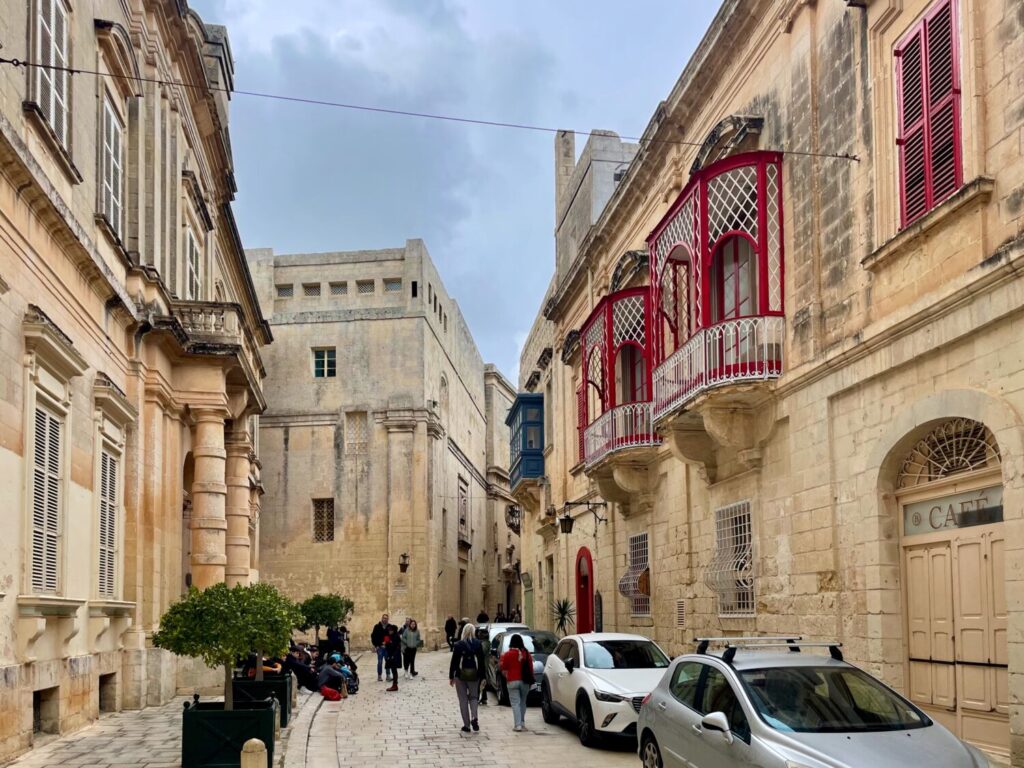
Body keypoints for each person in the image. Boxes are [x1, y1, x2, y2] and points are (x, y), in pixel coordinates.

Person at [449, 623, 485, 733]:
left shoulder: (458, 644)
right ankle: (474, 717)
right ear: (473, 632)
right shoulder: (478, 644)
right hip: (475, 674)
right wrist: (483, 676)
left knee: (463, 700)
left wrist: (451, 676)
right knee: (474, 697)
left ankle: (467, 725)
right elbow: (481, 662)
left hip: (460, 675)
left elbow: (454, 662)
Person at [500, 634, 534, 732]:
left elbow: (502, 668)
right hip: (525, 681)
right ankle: (522, 723)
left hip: (512, 681)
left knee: (515, 704)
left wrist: (507, 676)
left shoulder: (507, 654)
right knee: (523, 702)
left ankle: (517, 725)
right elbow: (531, 668)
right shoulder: (527, 654)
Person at [370, 613, 391, 682]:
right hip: (380, 647)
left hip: (387, 647)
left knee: (387, 661)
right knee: (380, 662)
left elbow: (392, 636)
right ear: (382, 618)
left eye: (386, 618)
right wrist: (376, 645)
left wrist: (389, 643)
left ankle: (388, 675)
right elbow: (373, 636)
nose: (385, 619)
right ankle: (379, 675)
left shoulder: (390, 627)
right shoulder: (377, 626)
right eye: (384, 618)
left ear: (388, 619)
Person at [384, 624, 403, 692]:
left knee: (394, 670)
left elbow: (394, 646)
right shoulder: (391, 636)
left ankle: (395, 685)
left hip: (395, 656)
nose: (389, 631)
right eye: (389, 630)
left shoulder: (396, 636)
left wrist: (388, 643)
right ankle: (395, 684)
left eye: (391, 630)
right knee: (393, 670)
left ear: (393, 630)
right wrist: (387, 642)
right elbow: (388, 647)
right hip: (391, 655)